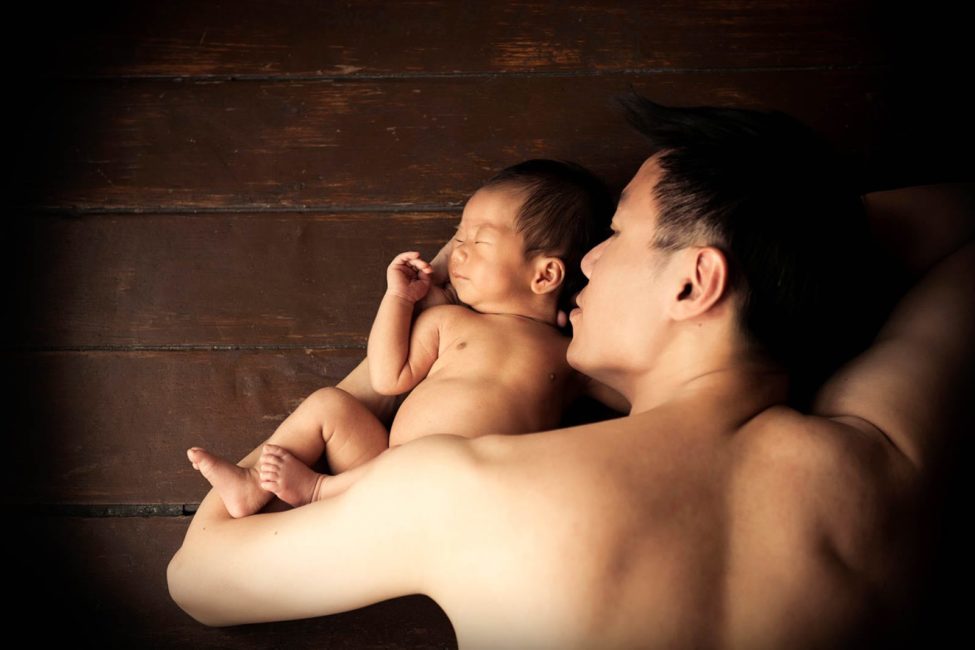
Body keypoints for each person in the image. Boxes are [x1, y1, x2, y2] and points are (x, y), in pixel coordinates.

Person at [167, 93, 975, 648]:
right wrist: (791, 238)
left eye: (614, 233)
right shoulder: (883, 471)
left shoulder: (470, 494)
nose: (584, 259)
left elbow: (198, 578)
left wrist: (405, 360)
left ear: (693, 281)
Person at [184, 159, 625, 517]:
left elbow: (639, 402)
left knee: (431, 460)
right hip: (382, 469)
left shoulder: (572, 352)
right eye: (458, 236)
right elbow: (388, 375)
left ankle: (321, 490)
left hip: (473, 490)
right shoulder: (451, 322)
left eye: (478, 240)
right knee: (329, 404)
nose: (459, 250)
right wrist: (399, 300)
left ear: (545, 273)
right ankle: (250, 486)